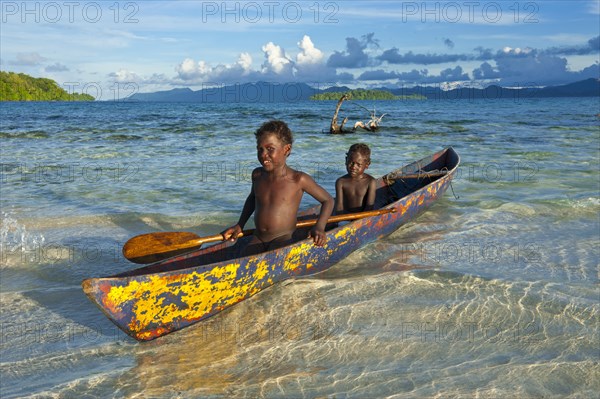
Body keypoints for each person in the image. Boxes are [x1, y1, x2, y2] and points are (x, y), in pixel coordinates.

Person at [221, 120, 334, 255]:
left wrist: (319, 227)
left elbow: (328, 200)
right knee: (244, 259)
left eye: (270, 149)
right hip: (259, 237)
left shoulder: (298, 179)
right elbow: (252, 199)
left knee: (271, 261)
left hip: (283, 239)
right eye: (260, 149)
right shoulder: (257, 175)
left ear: (286, 149)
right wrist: (240, 225)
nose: (263, 154)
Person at [335, 143, 377, 214]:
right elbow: (339, 207)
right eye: (351, 162)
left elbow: (369, 207)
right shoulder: (341, 182)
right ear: (346, 160)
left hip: (363, 217)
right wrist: (341, 221)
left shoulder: (370, 182)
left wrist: (360, 221)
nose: (353, 167)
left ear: (367, 164)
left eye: (358, 164)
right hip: (345, 217)